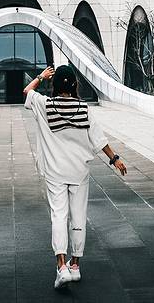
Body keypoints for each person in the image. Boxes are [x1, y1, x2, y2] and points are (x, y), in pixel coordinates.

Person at [23, 63, 128, 290]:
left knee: (59, 216)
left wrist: (41, 76)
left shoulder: (45, 104)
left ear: (55, 84)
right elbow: (99, 140)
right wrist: (115, 159)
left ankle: (61, 267)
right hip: (79, 172)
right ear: (74, 85)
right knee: (78, 216)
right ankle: (76, 265)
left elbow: (27, 91)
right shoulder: (84, 108)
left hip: (55, 172)